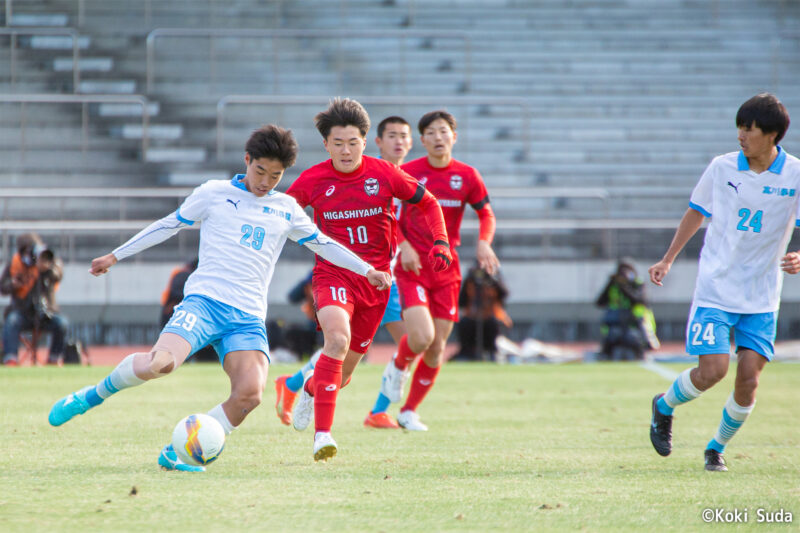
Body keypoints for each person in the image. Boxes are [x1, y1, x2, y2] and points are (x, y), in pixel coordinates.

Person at [46, 124, 390, 472]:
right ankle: (91, 396)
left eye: (275, 175)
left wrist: (367, 271)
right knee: (160, 364)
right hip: (204, 304)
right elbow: (168, 224)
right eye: (260, 171)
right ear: (246, 160)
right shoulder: (213, 193)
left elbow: (324, 244)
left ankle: (178, 451)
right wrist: (115, 256)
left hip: (247, 317)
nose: (265, 181)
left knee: (250, 395)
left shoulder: (286, 208)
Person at [277, 99, 450, 460]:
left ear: (365, 141)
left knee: (341, 375)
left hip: (377, 285)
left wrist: (440, 241)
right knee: (336, 340)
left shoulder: (385, 173)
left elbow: (429, 203)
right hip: (332, 275)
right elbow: (276, 216)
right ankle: (323, 436)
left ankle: (308, 388)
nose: (345, 150)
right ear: (325, 144)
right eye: (337, 143)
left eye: (353, 142)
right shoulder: (312, 180)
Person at [648, 93, 800, 472]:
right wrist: (667, 259)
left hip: (762, 295)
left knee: (748, 380)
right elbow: (697, 212)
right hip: (716, 287)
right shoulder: (722, 168)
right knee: (713, 371)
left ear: (773, 135)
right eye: (740, 127)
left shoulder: (795, 174)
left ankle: (716, 447)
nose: (741, 135)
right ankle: (663, 405)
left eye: (749, 128)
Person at [274, 116, 416, 430]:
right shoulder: (365, 172)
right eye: (392, 135)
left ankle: (299, 384)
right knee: (356, 341)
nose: (399, 142)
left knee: (350, 364)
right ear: (377, 141)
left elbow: (412, 216)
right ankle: (379, 408)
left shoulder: (407, 175)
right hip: (349, 275)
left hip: (385, 276)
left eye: (404, 136)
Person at [369, 110, 500, 431]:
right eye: (431, 132)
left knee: (438, 347)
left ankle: (408, 411)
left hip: (447, 266)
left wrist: (484, 243)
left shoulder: (468, 175)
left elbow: (486, 214)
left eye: (444, 131)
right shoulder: (410, 172)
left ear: (454, 137)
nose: (439, 137)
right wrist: (403, 245)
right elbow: (387, 213)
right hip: (412, 266)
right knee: (423, 336)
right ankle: (397, 370)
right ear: (422, 140)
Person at [1, 233, 69, 366]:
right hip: (22, 311)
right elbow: (2, 287)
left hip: (46, 311)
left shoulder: (49, 259)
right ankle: (11, 358)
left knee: (61, 324)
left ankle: (54, 358)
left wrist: (46, 269)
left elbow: (58, 275)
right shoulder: (15, 264)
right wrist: (13, 285)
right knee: (11, 321)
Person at [595, 259, 658, 360]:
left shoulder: (637, 284)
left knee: (636, 337)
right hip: (615, 320)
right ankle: (606, 354)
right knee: (611, 336)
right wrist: (611, 283)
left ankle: (645, 347)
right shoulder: (613, 285)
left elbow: (641, 301)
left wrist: (625, 287)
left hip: (634, 320)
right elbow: (599, 302)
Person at [454, 263, 512, 361]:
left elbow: (504, 295)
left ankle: (492, 352)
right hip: (472, 316)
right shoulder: (470, 282)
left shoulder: (495, 278)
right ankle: (466, 353)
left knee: (493, 325)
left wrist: (494, 279)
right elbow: (461, 302)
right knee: (463, 324)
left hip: (491, 316)